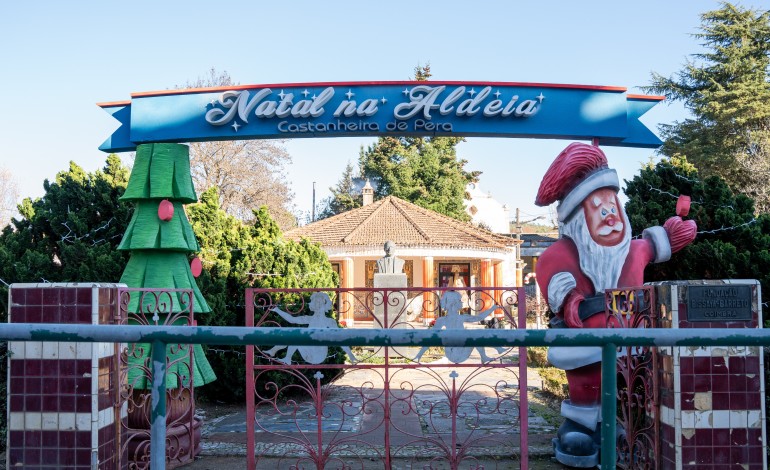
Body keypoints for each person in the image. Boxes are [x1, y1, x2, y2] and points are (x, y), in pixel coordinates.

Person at [534, 143, 696, 467]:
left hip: (630, 343)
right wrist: (568, 299)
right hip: (587, 339)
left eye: (613, 206)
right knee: (586, 380)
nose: (610, 216)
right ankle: (579, 425)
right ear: (579, 218)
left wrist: (676, 232)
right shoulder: (562, 255)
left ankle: (619, 424)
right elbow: (554, 281)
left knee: (624, 389)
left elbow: (658, 242)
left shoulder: (634, 252)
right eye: (599, 208)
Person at [263, 292, 357, 365]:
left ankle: (284, 357)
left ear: (325, 306)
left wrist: (350, 355)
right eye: (316, 303)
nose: (318, 305)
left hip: (319, 354)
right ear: (313, 306)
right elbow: (292, 320)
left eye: (320, 303)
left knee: (297, 336)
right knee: (294, 336)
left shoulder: (329, 322)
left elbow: (339, 339)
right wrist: (277, 310)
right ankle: (277, 353)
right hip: (308, 352)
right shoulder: (309, 319)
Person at [413, 291, 506, 363]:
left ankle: (488, 354)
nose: (462, 302)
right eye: (459, 300)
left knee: (475, 333)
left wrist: (493, 308)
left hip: (462, 350)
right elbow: (431, 338)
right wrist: (419, 355)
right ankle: (494, 350)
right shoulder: (442, 320)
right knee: (475, 334)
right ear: (453, 303)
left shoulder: (459, 317)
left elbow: (479, 317)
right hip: (453, 352)